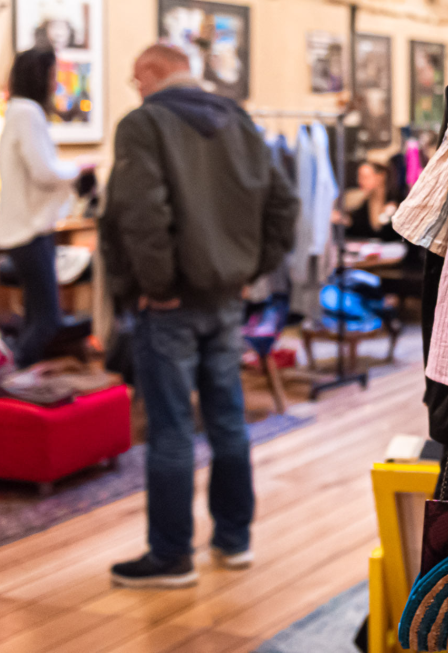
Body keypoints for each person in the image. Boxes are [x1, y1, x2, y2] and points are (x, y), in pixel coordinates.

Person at [101, 44, 298, 588]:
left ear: (151, 73)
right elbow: (283, 204)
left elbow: (142, 211)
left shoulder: (144, 124)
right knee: (227, 420)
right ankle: (234, 540)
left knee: (170, 430)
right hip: (225, 298)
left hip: (173, 304)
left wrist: (157, 285)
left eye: (134, 79)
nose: (134, 88)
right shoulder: (237, 119)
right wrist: (250, 269)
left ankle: (170, 556)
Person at [0, 47, 95, 369]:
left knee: (34, 318)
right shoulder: (27, 114)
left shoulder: (17, 111)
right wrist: (79, 168)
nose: (56, 83)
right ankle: (10, 379)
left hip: (23, 232)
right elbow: (44, 171)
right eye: (53, 75)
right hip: (31, 233)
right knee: (47, 320)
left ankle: (11, 382)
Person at [341, 161, 401, 241]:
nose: (359, 181)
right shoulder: (363, 205)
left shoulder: (397, 201)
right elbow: (356, 228)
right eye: (358, 177)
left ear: (380, 177)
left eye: (364, 177)